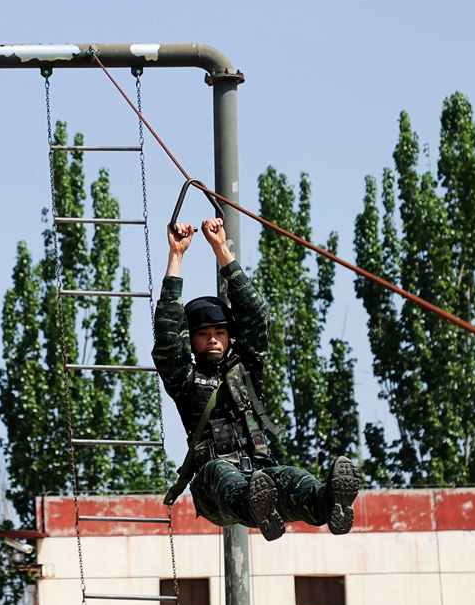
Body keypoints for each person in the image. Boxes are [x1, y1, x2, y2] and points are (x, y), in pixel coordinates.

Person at [153, 216, 359, 541]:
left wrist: (221, 249)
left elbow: (256, 315)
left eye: (220, 332)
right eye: (203, 334)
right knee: (220, 471)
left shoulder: (246, 367)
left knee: (293, 477)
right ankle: (256, 506)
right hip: (214, 492)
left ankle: (328, 504)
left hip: (260, 473)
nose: (213, 339)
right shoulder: (185, 378)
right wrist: (176, 256)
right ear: (190, 340)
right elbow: (167, 334)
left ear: (230, 336)